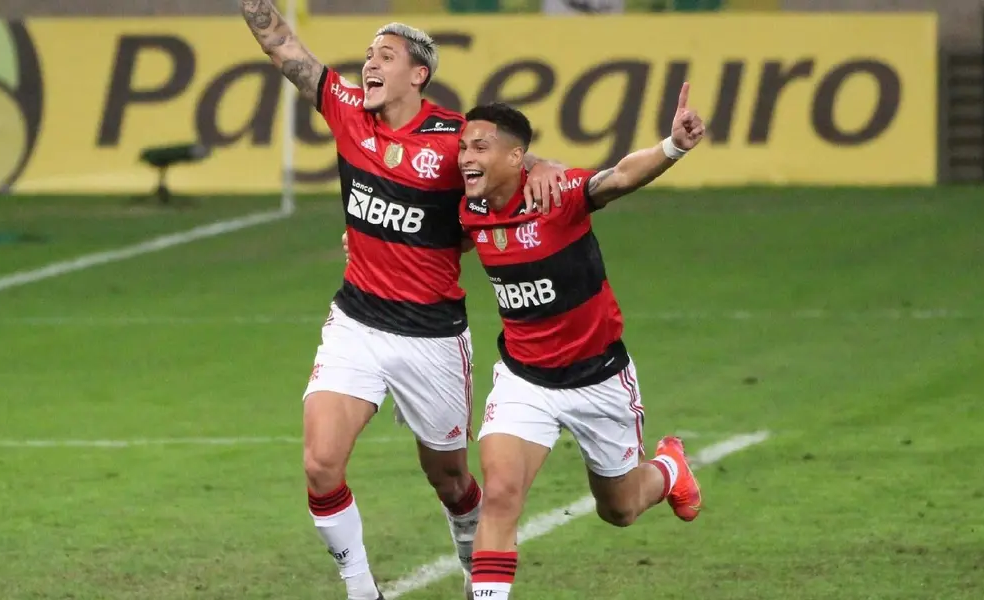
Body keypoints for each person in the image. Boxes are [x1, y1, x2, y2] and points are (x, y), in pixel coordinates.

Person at [235, 3, 568, 598]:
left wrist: (543, 165)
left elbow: (504, 158)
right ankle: (362, 590)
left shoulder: (451, 137)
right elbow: (285, 48)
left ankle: (473, 560)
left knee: (450, 478)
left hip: (432, 335)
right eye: (367, 55)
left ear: (418, 74)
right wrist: (258, 10)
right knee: (320, 463)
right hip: (357, 320)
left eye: (384, 56)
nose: (369, 64)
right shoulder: (346, 112)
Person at [344, 86, 707, 600]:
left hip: (598, 377)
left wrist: (672, 146)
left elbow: (619, 176)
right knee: (501, 496)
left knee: (620, 508)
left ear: (515, 157)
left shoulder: (555, 196)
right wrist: (361, 240)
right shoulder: (468, 209)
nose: (466, 156)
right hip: (523, 379)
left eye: (480, 147)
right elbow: (411, 222)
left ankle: (669, 468)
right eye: (464, 147)